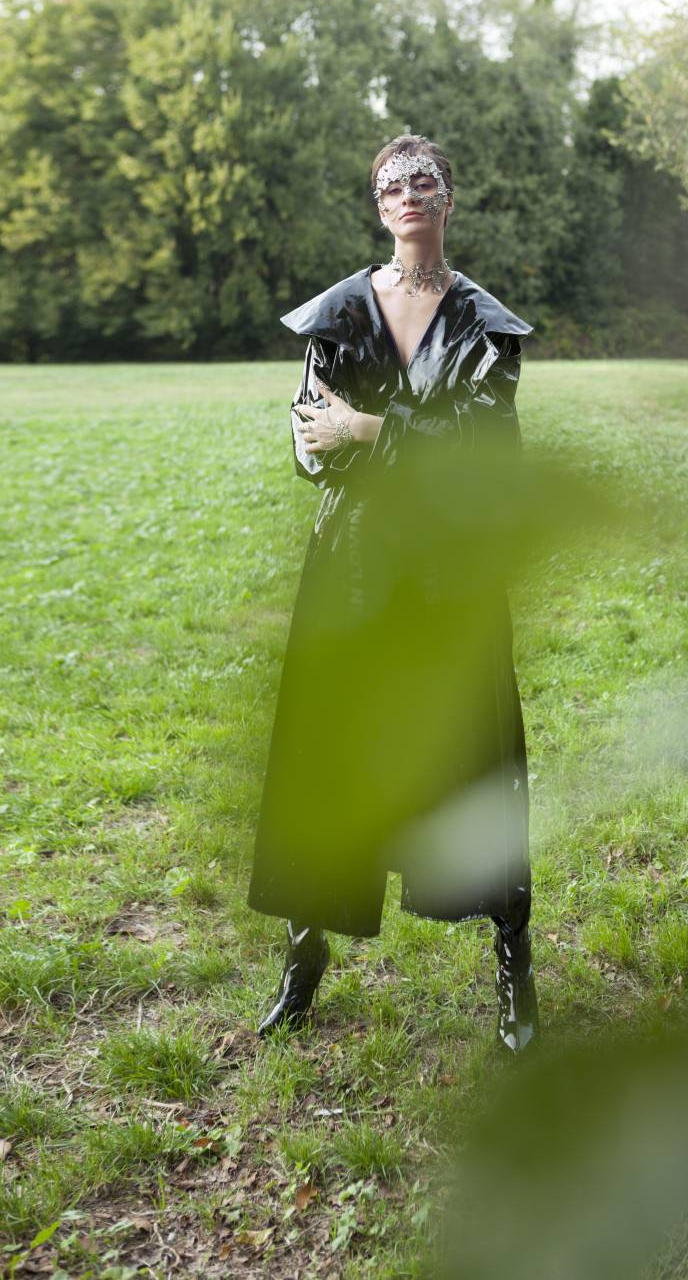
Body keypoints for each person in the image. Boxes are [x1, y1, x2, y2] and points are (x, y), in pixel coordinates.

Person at [247, 134, 539, 1055]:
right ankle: (304, 953)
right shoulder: (338, 312)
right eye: (391, 184)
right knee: (326, 757)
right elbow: (307, 447)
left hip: (451, 570)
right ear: (379, 208)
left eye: (425, 180)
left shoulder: (487, 325)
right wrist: (343, 438)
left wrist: (367, 428)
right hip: (353, 565)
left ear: (449, 198)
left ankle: (513, 965)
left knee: (473, 759)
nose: (409, 192)